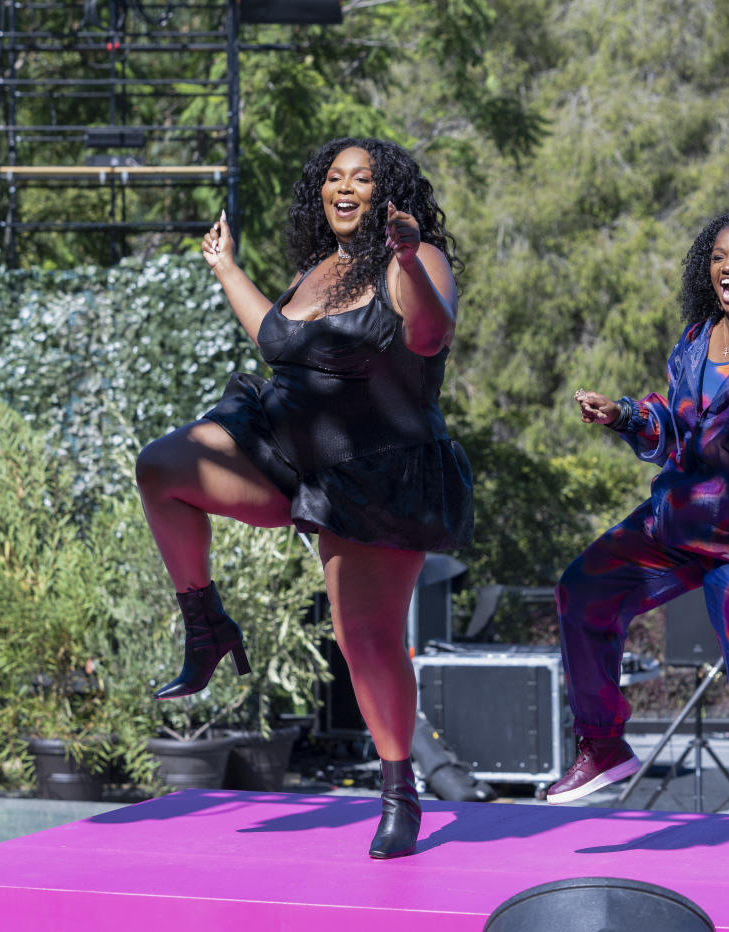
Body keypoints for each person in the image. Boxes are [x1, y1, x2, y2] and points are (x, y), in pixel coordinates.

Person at [135, 137, 473, 860]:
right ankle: (206, 623)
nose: (343, 187)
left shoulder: (415, 259)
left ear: (389, 193)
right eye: (333, 177)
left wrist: (408, 258)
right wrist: (227, 269)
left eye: (362, 178)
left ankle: (398, 790)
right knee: (162, 468)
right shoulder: (316, 271)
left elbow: (429, 331)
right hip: (285, 450)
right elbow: (274, 336)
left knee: (367, 640)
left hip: (377, 473)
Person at [547, 211, 729, 871]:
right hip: (679, 521)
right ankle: (602, 745)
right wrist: (625, 414)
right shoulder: (694, 340)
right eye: (717, 258)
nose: (728, 268)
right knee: (582, 590)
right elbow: (675, 434)